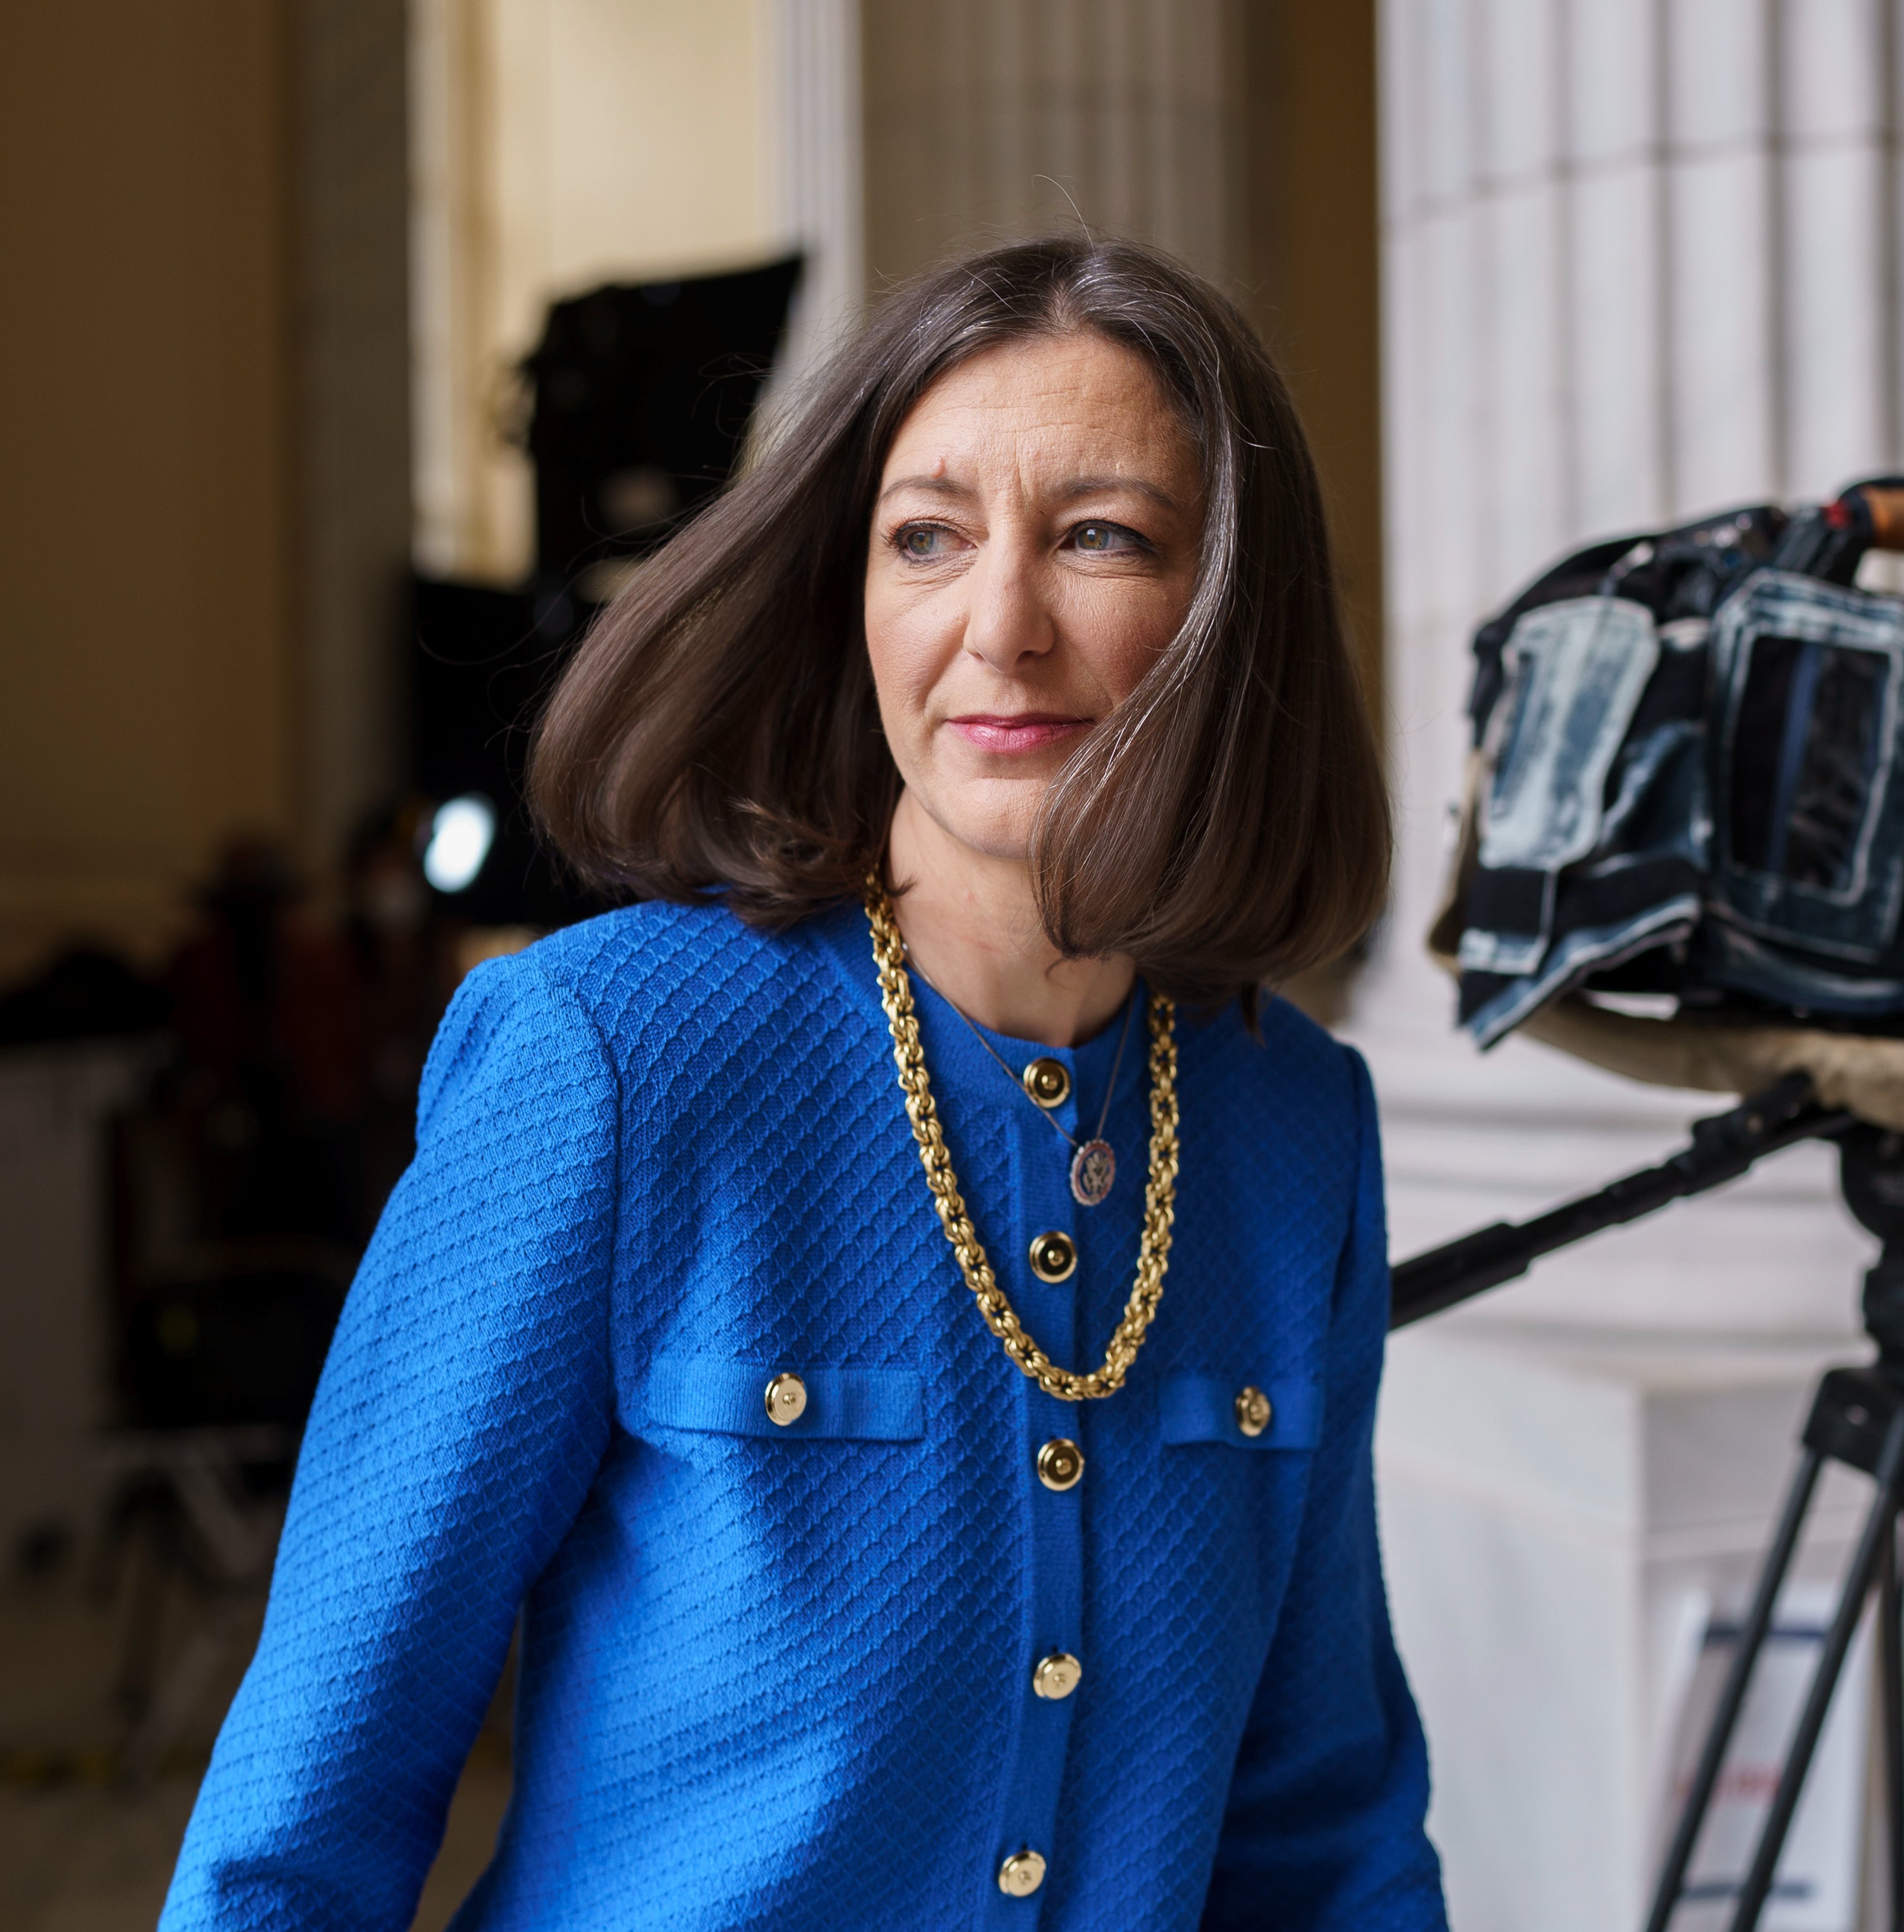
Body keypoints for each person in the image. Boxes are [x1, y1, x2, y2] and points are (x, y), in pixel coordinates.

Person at [161, 238, 1446, 1931]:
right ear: (851, 595)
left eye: (1099, 535)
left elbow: (1321, 1830)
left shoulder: (1296, 1131)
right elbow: (302, 1817)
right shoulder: (610, 1059)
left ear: (1223, 610)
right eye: (928, 535)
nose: (999, 625)